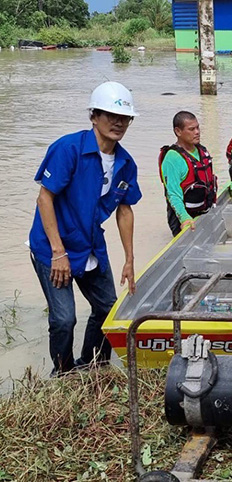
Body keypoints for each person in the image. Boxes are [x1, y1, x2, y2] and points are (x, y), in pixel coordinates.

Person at [28, 81, 142, 375]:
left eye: (124, 118)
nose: (117, 122)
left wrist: (129, 259)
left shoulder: (126, 163)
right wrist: (57, 252)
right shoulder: (69, 149)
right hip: (53, 244)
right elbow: (45, 197)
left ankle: (93, 365)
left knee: (109, 309)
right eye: (109, 115)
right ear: (94, 116)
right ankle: (63, 373)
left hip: (90, 243)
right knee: (64, 319)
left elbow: (125, 209)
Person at [159, 111, 217, 236]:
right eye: (191, 129)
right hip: (184, 216)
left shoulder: (202, 151)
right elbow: (173, 194)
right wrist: (184, 218)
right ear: (178, 132)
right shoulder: (172, 159)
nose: (197, 132)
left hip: (204, 210)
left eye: (198, 127)